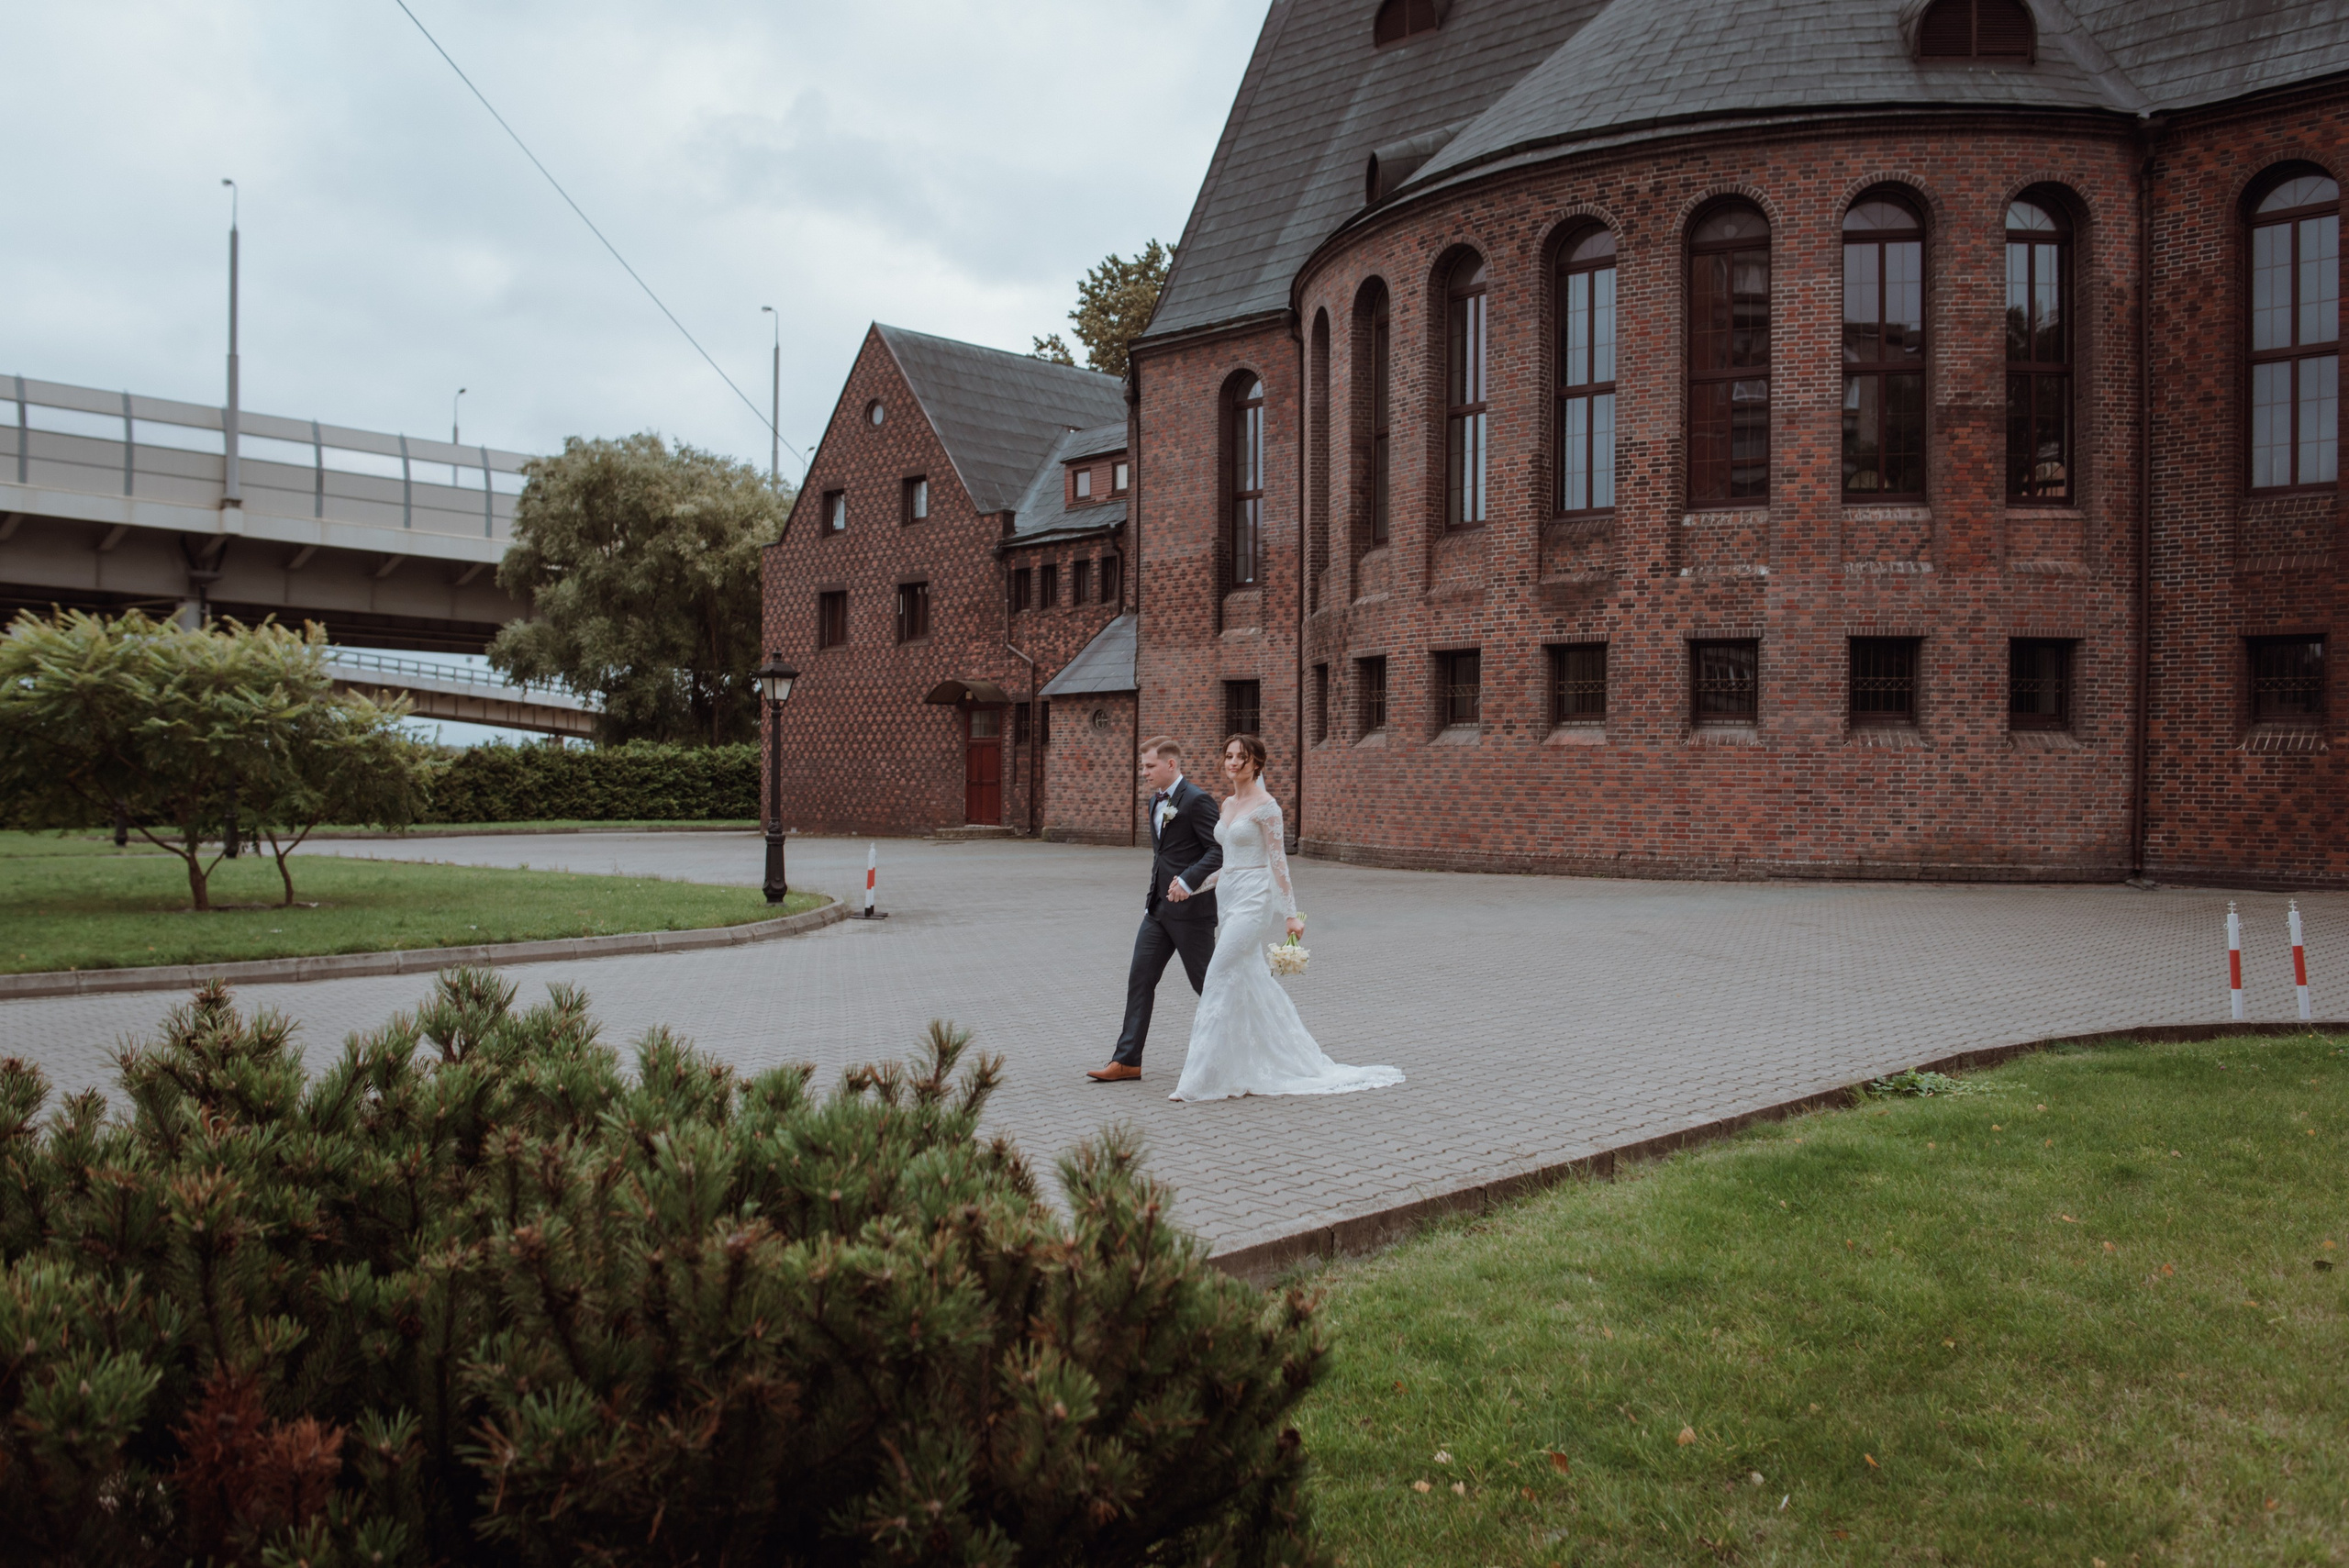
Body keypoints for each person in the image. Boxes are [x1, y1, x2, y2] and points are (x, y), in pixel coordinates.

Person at [1166, 734, 1403, 1103]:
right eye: (1229, 756)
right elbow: (1229, 866)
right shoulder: (1227, 804)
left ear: (1256, 764)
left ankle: (1199, 1080)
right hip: (1228, 898)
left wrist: (1290, 915)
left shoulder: (1268, 807)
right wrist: (1191, 887)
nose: (1233, 763)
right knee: (1248, 981)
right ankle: (1251, 1064)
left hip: (1255, 899)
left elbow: (1278, 864)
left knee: (1218, 974)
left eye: (1241, 757)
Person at [1086, 737, 1222, 1083]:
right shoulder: (1154, 801)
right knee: (1140, 980)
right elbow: (1162, 856)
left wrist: (1189, 880)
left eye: (1149, 766)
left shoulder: (1197, 800)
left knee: (1209, 986)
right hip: (1158, 910)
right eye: (1143, 766)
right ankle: (1127, 1061)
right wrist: (1155, 897)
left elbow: (1218, 851)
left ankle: (1243, 1049)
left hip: (1191, 914)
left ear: (1170, 764)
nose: (1144, 772)